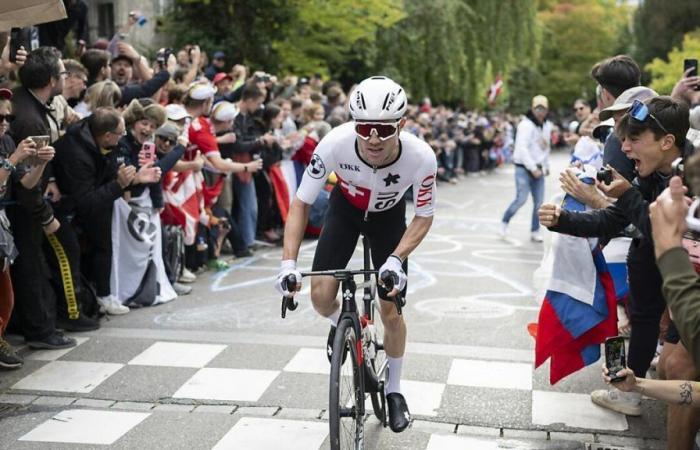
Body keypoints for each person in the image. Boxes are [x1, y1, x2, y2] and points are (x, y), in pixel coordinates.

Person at [274, 76, 437, 433]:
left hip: (388, 219)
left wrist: (395, 259)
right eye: (364, 128)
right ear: (353, 124)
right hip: (344, 212)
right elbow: (300, 203)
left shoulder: (422, 157)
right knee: (319, 298)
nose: (373, 138)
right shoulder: (334, 144)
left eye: (383, 128)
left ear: (402, 125)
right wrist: (288, 263)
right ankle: (347, 327)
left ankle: (394, 390)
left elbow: (424, 215)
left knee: (390, 310)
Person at [539, 97, 691, 431]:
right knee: (666, 360)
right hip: (667, 276)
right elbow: (613, 219)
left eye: (634, 139)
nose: (623, 148)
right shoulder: (652, 171)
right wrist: (563, 220)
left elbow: (663, 233)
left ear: (667, 142)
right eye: (623, 139)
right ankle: (633, 393)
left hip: (689, 286)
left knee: (676, 367)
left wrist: (627, 195)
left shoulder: (693, 174)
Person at [499, 95, 552, 242]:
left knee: (539, 202)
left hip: (539, 168)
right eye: (538, 108)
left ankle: (535, 230)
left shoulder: (547, 125)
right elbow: (522, 149)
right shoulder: (526, 125)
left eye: (543, 108)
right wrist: (532, 167)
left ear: (547, 110)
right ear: (533, 108)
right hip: (523, 167)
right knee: (521, 199)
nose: (540, 111)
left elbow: (546, 148)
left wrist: (546, 166)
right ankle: (505, 221)